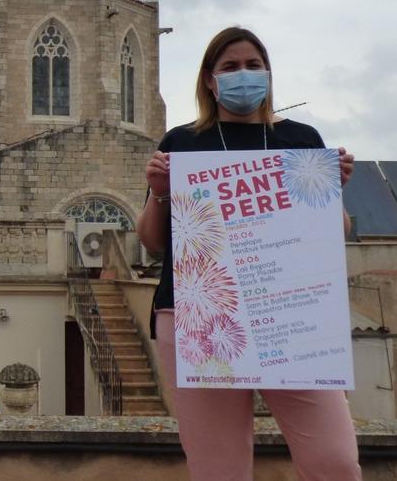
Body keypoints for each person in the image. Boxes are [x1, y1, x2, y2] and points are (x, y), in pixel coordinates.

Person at [135, 26, 361, 481]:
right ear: (210, 80)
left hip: (289, 315)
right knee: (219, 470)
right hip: (198, 317)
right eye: (231, 67)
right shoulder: (181, 143)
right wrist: (160, 192)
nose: (244, 75)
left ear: (269, 74)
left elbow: (334, 233)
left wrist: (331, 189)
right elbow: (153, 242)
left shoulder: (301, 139)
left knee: (334, 462)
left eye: (254, 65)